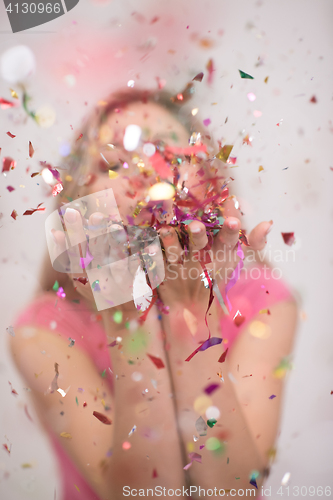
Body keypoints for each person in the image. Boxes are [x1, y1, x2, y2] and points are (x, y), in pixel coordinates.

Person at [9, 86, 298, 500]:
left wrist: (190, 320)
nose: (144, 172)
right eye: (115, 161)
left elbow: (234, 493)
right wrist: (127, 317)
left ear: (209, 183)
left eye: (169, 155)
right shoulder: (44, 332)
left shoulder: (264, 301)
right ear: (77, 205)